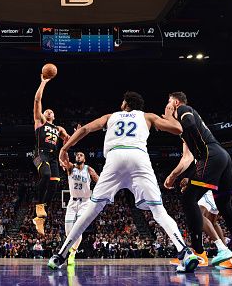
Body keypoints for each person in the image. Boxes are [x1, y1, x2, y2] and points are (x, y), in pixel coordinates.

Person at [48, 91, 199, 273]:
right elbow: (178, 129)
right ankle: (185, 251)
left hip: (115, 158)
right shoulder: (147, 116)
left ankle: (61, 255)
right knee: (159, 211)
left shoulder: (111, 116)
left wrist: (64, 148)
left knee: (90, 211)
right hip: (139, 158)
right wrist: (168, 116)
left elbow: (85, 129)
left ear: (125, 103)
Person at [164, 92, 232, 269]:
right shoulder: (184, 134)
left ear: (176, 101)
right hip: (221, 157)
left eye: (169, 102)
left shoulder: (183, 109)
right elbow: (187, 159)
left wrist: (168, 118)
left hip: (211, 154)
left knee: (189, 199)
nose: (167, 106)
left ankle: (199, 253)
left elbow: (187, 124)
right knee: (225, 207)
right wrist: (174, 175)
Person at [165, 150, 232, 267]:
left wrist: (184, 180)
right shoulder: (208, 148)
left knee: (197, 215)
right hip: (213, 186)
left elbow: (203, 169)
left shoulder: (200, 145)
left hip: (208, 188)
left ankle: (201, 253)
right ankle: (225, 253)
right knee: (212, 222)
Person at [32, 74, 70, 235]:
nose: (48, 112)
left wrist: (72, 136)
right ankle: (39, 205)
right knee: (46, 175)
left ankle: (39, 219)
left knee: (55, 185)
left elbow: (67, 141)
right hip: (40, 154)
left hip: (54, 157)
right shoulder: (40, 122)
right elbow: (37, 101)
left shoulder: (59, 128)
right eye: (46, 111)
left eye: (51, 112)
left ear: (54, 116)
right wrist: (43, 83)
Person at [63, 151, 99, 266]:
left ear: (84, 159)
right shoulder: (70, 168)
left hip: (85, 202)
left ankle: (72, 253)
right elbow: (63, 157)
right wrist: (66, 144)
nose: (78, 156)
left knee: (78, 229)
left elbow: (99, 181)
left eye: (81, 155)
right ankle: (70, 249)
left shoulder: (88, 169)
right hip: (72, 202)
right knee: (68, 231)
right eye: (77, 155)